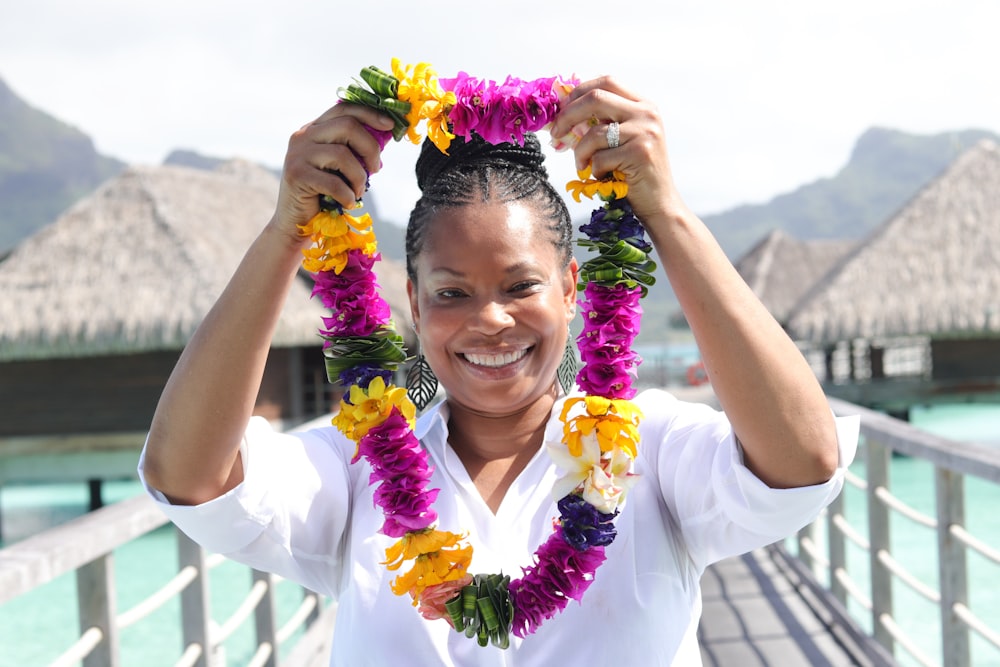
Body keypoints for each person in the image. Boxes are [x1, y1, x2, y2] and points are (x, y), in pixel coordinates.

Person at [139, 75, 858, 665]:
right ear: (414, 304)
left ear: (573, 288)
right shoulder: (353, 464)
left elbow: (803, 459)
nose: (490, 320)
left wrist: (663, 210)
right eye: (452, 293)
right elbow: (188, 476)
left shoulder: (654, 449)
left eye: (521, 286)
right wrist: (284, 232)